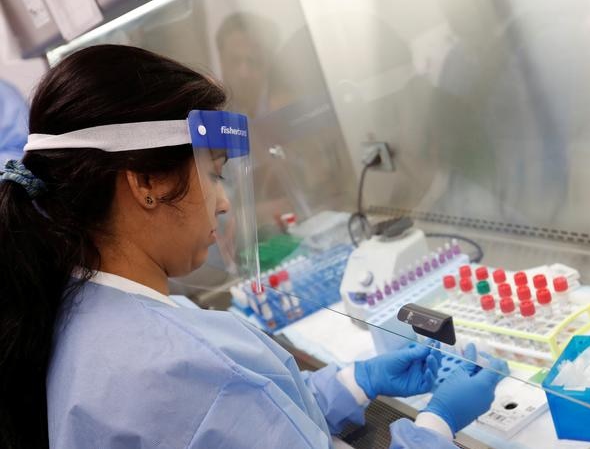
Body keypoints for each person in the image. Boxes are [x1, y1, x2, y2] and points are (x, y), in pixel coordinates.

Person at [0, 45, 507, 449]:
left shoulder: (80, 310)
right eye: (213, 174)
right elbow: (225, 406)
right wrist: (438, 424)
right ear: (146, 183)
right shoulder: (183, 367)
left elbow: (255, 422)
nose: (223, 203)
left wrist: (357, 380)